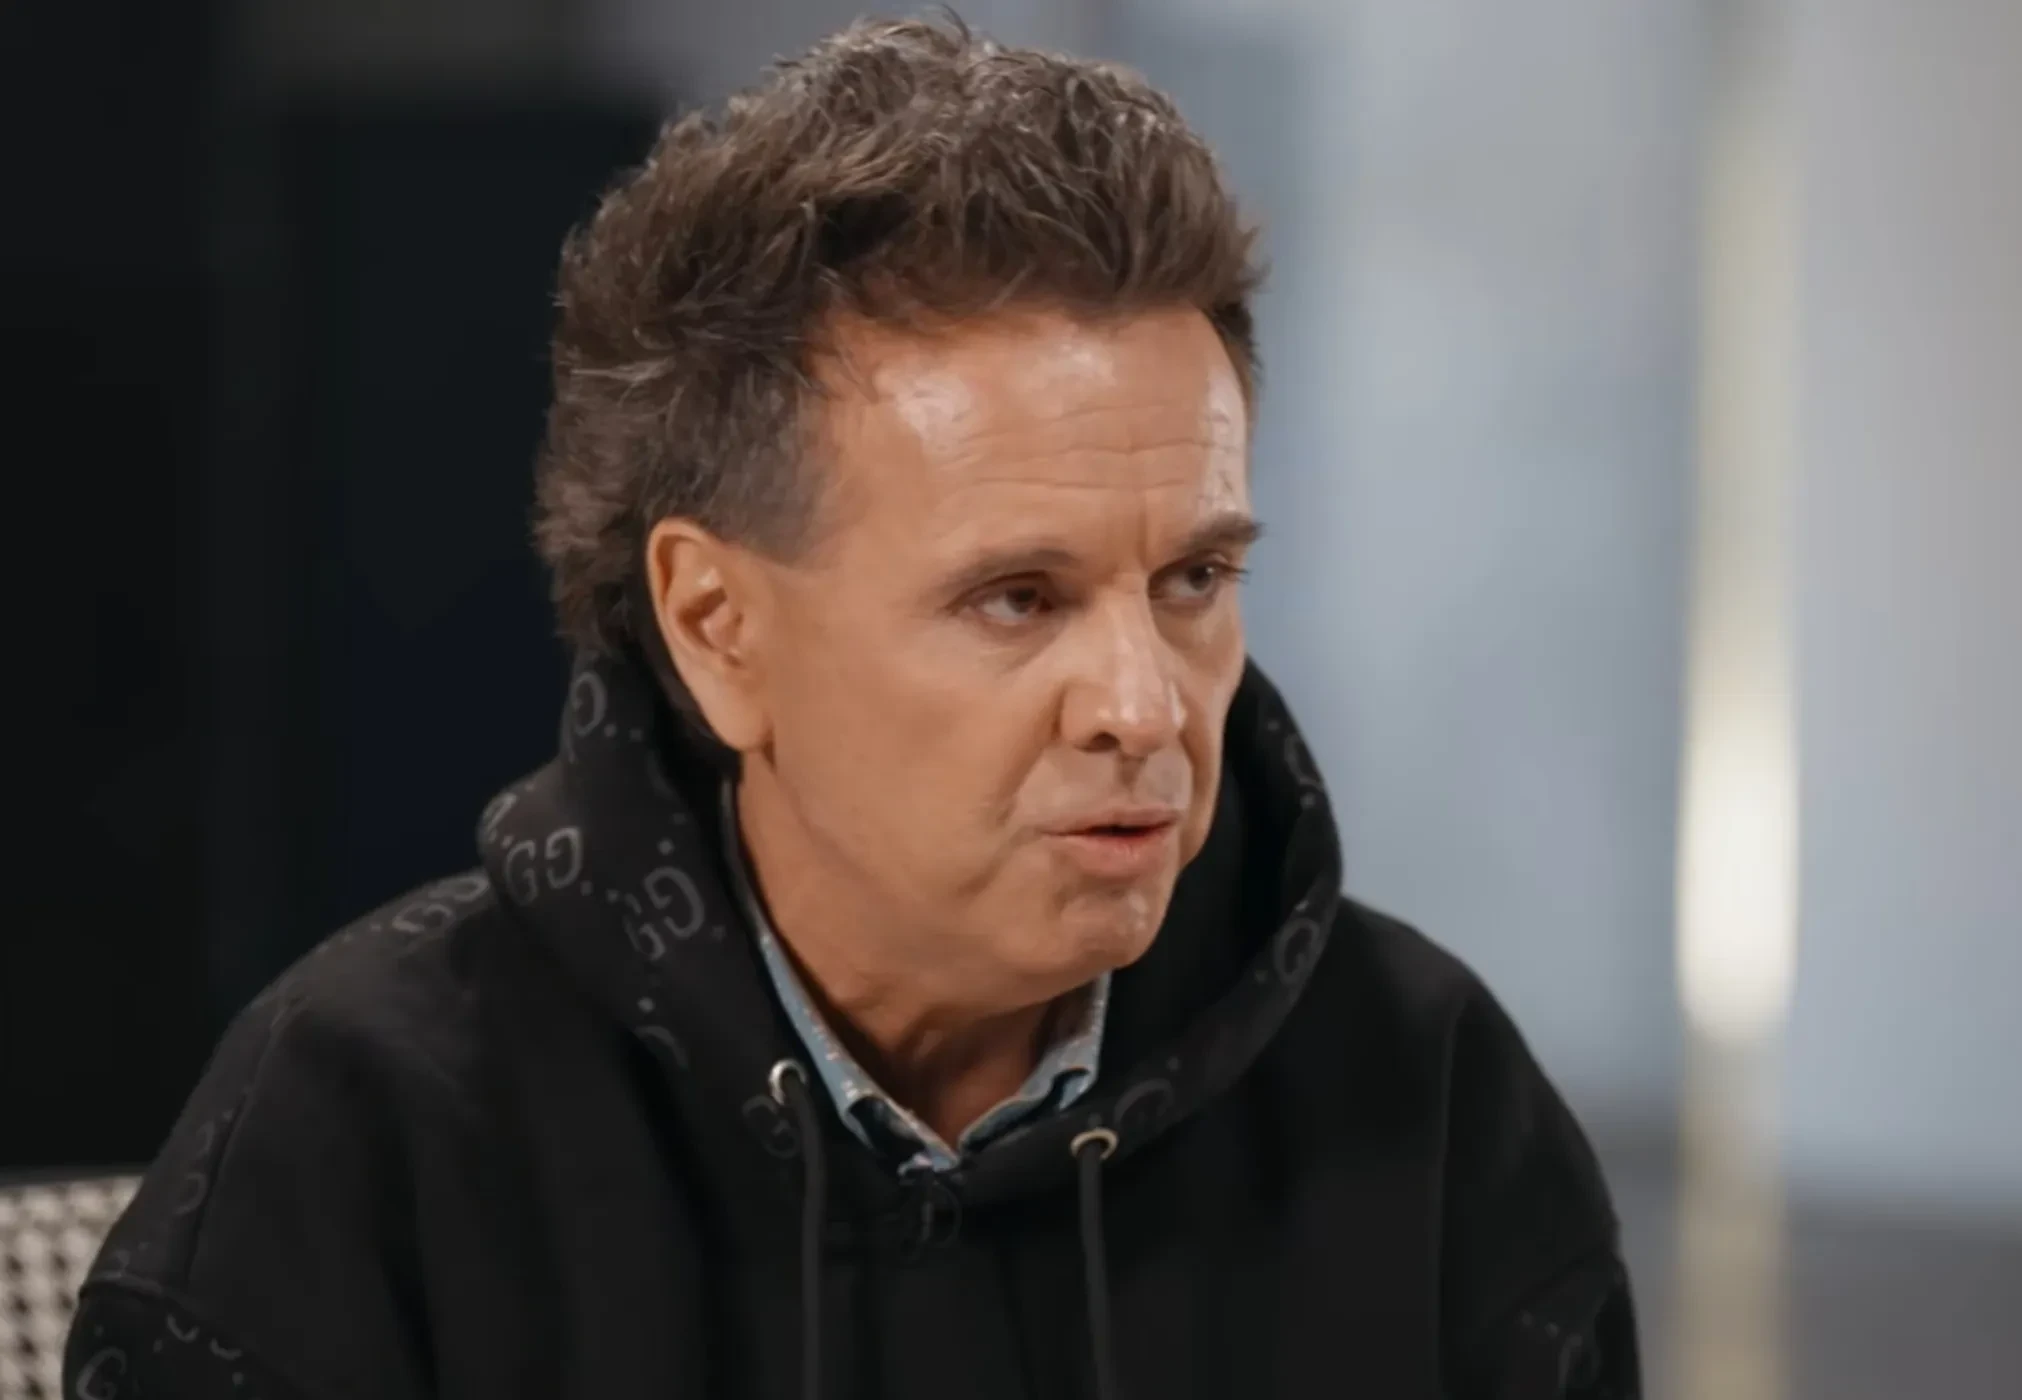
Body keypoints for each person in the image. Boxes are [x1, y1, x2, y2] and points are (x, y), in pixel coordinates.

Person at [69, 17, 1638, 1400]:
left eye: (1193, 580)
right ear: (716, 626)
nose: (1141, 706)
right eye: (1015, 598)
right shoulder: (367, 1138)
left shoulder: (1428, 1102)